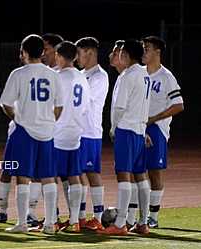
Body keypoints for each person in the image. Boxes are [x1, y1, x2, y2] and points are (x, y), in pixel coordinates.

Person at [1, 34, 63, 234]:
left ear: (24, 52)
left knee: (23, 177)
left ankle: (22, 223)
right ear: (43, 52)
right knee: (48, 177)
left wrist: (17, 118)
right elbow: (59, 107)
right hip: (47, 131)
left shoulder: (18, 74)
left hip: (24, 131)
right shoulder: (54, 75)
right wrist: (48, 121)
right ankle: (50, 224)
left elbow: (6, 104)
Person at [98, 39, 152, 235]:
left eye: (121, 52)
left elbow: (120, 107)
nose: (119, 54)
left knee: (123, 176)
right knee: (140, 176)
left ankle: (120, 224)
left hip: (126, 129)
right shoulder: (145, 75)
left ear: (127, 55)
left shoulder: (127, 76)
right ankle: (143, 222)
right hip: (138, 129)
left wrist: (113, 128)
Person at [141, 36, 184, 228]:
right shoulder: (139, 74)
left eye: (147, 48)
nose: (144, 52)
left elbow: (178, 105)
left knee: (154, 173)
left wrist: (154, 119)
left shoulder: (166, 77)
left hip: (157, 129)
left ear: (157, 51)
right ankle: (135, 215)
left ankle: (153, 217)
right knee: (135, 172)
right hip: (137, 126)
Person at [53, 41, 90, 233]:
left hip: (57, 132)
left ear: (59, 56)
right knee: (73, 176)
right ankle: (75, 221)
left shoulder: (57, 77)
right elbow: (85, 106)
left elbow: (52, 105)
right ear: (75, 57)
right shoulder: (82, 77)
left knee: (49, 177)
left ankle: (52, 220)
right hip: (75, 132)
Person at [75, 37, 109, 230]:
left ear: (89, 52)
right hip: (76, 131)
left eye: (79, 53)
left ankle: (97, 216)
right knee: (77, 174)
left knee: (92, 173)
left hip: (90, 131)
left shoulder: (99, 76)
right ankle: (79, 218)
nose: (78, 58)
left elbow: (85, 102)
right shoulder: (80, 74)